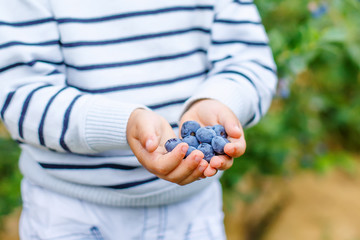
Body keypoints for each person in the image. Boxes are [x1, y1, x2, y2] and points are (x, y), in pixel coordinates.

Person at [0, 0, 277, 239]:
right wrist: (121, 124)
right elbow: (19, 96)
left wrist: (218, 100)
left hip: (192, 214)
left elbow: (250, 60)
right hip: (71, 215)